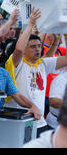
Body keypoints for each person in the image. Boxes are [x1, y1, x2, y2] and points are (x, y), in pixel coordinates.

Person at [4, 8, 67, 137]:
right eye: (33, 47)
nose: (38, 49)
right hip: (19, 120)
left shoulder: (42, 64)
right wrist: (31, 23)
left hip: (40, 122)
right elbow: (19, 49)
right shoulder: (17, 63)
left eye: (39, 46)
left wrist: (59, 38)